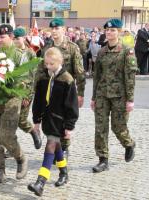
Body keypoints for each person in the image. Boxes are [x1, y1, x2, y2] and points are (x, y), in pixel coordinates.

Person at [28, 47, 78, 196]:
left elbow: (72, 105)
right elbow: (38, 101)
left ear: (59, 62)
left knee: (50, 145)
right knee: (56, 147)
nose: (48, 67)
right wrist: (36, 120)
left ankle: (40, 182)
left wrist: (69, 127)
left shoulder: (67, 79)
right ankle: (64, 173)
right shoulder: (43, 78)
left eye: (51, 64)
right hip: (47, 120)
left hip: (60, 121)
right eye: (46, 64)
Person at [91, 19, 137, 173]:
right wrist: (93, 98)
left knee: (118, 127)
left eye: (113, 30)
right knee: (100, 128)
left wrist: (130, 99)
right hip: (102, 95)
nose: (109, 33)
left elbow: (130, 77)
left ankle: (129, 144)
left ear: (119, 32)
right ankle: (103, 160)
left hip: (120, 96)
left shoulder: (126, 51)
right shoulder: (102, 51)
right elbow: (97, 76)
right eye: (107, 30)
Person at [36, 18, 86, 159]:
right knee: (51, 118)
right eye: (52, 29)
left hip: (66, 89)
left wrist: (80, 93)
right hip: (50, 90)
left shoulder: (72, 47)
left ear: (63, 29)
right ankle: (54, 147)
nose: (54, 31)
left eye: (57, 28)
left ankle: (64, 146)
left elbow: (79, 72)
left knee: (64, 117)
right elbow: (41, 71)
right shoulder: (47, 47)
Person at [0, 24, 28, 186]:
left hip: (11, 100)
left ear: (11, 37)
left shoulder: (19, 56)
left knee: (6, 136)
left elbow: (26, 79)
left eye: (2, 37)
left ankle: (20, 157)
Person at [13, 27, 42, 149]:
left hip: (25, 92)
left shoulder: (30, 53)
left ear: (24, 38)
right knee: (10, 121)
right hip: (11, 92)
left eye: (17, 38)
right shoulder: (10, 52)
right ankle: (11, 147)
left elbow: (33, 76)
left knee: (21, 120)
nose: (15, 41)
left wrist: (28, 95)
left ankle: (34, 132)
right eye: (13, 38)